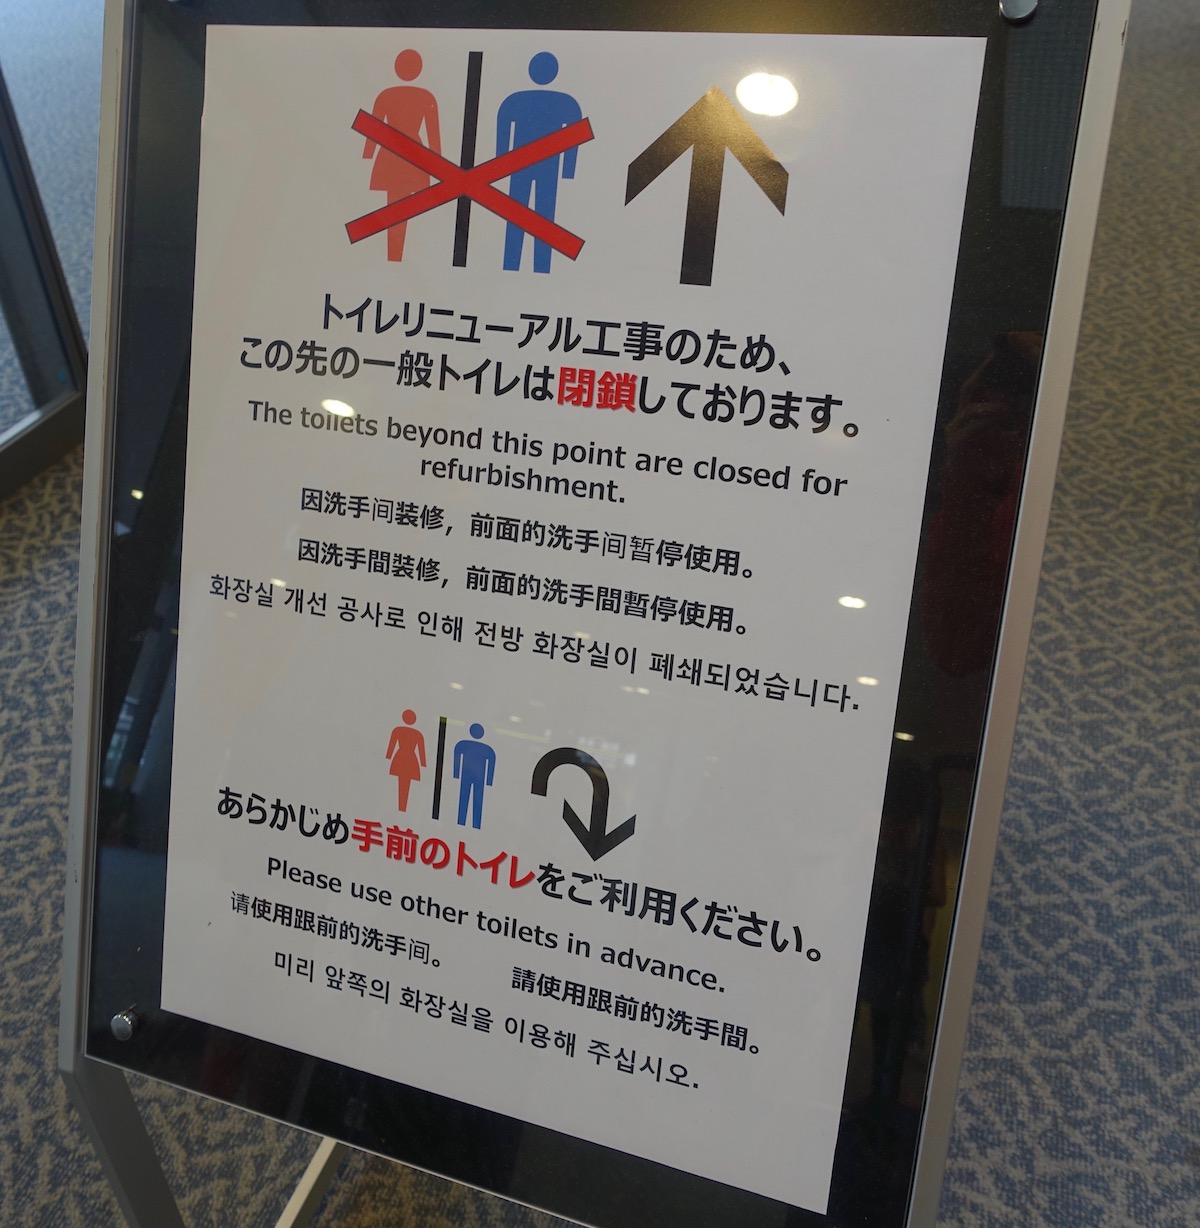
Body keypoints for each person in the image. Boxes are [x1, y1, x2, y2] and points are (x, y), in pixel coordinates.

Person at [362, 49, 441, 262]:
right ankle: (394, 256)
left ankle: (395, 256)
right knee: (398, 206)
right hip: (408, 154)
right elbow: (433, 135)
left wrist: (368, 154)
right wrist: (437, 161)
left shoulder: (387, 95)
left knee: (397, 205)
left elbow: (374, 130)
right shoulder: (425, 97)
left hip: (395, 153)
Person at [385, 709, 426, 812]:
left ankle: (402, 808)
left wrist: (389, 756)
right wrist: (423, 764)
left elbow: (391, 746)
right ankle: (401, 808)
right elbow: (421, 752)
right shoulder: (417, 734)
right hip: (410, 758)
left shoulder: (398, 730)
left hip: (402, 757)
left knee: (403, 783)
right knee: (404, 783)